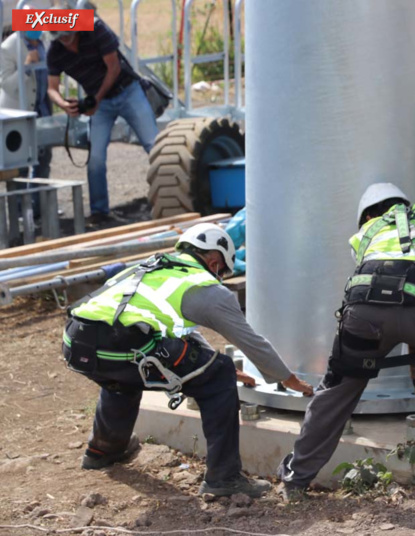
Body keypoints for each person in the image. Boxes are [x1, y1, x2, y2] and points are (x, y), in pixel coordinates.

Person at [277, 183, 415, 500]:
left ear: (368, 214)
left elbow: (385, 276)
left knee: (337, 391)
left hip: (364, 313)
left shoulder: (364, 233)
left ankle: (296, 478)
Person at [62, 223, 313, 497]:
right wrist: (287, 378)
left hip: (77, 342)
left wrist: (207, 360)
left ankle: (103, 449)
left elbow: (178, 331)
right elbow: (250, 341)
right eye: (223, 273)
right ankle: (224, 479)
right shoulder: (206, 287)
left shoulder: (150, 268)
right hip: (125, 344)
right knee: (219, 374)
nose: (221, 278)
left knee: (123, 376)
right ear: (215, 262)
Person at [46, 18, 158, 225]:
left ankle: (169, 196)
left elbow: (113, 67)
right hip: (99, 103)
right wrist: (63, 104)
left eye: (68, 36)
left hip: (127, 91)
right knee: (95, 158)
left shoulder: (96, 28)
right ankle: (99, 211)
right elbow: (51, 88)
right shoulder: (55, 50)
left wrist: (95, 99)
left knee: (154, 145)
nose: (67, 42)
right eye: (61, 38)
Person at [1, 24, 52, 180]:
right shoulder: (8, 47)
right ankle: (20, 204)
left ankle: (39, 204)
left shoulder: (46, 40)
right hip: (19, 112)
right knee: (20, 165)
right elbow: (7, 84)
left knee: (43, 160)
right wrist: (26, 68)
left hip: (42, 109)